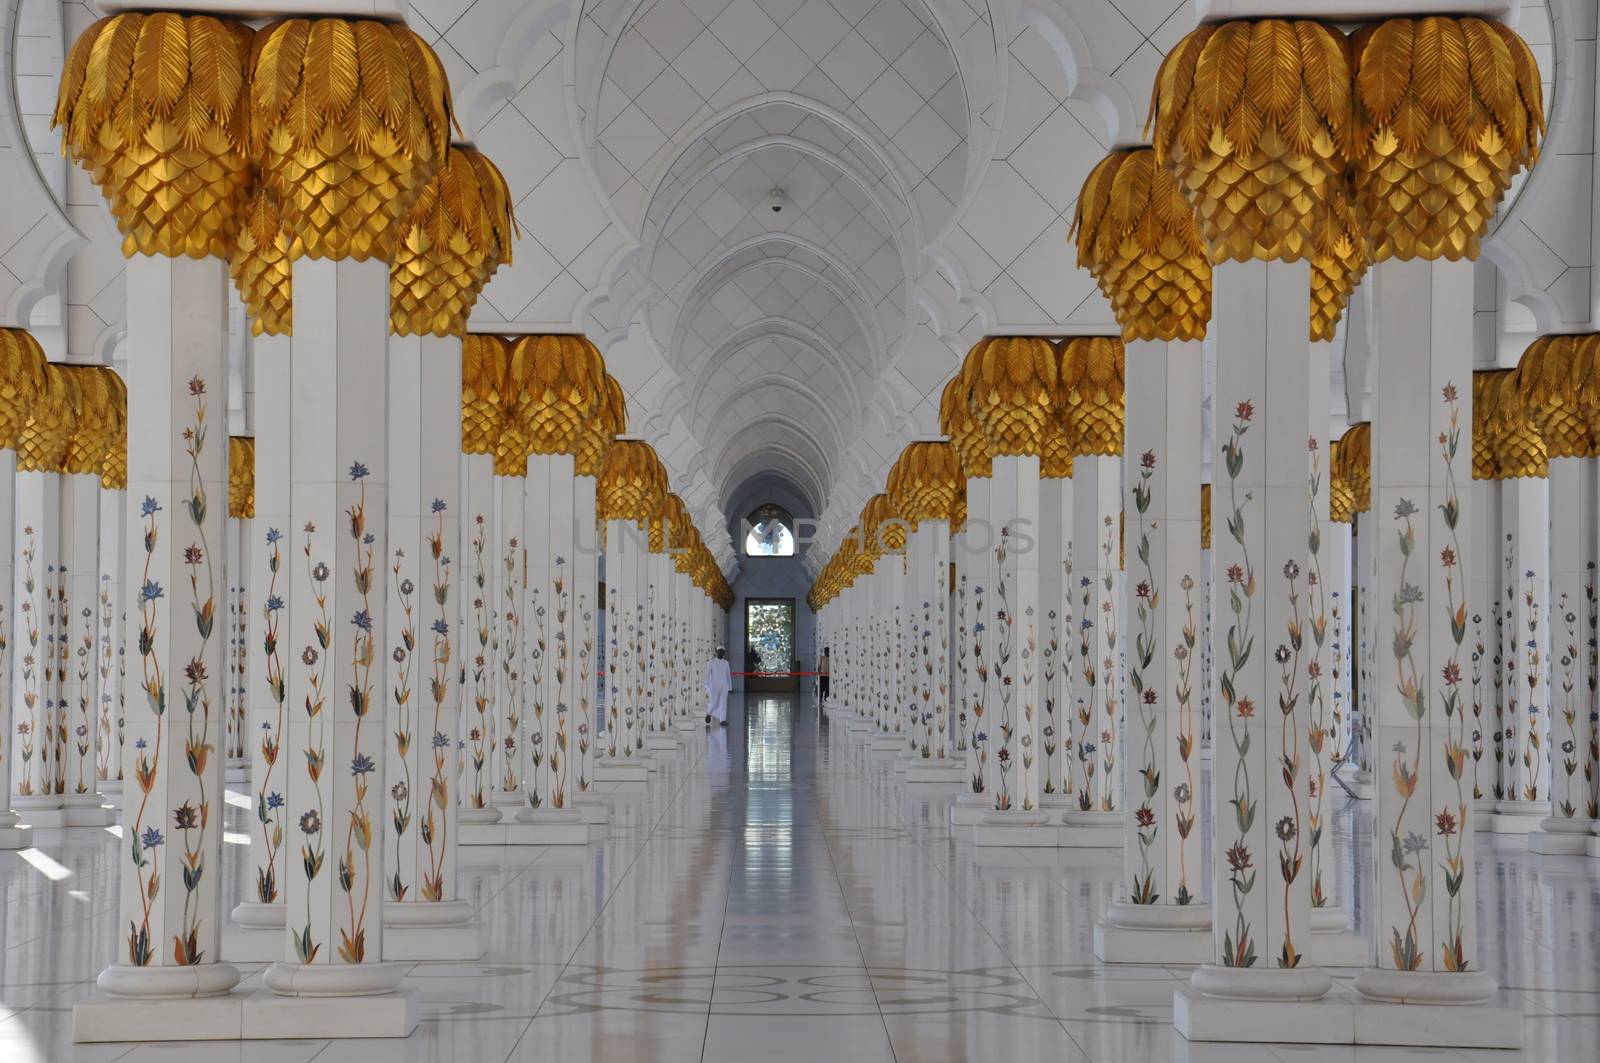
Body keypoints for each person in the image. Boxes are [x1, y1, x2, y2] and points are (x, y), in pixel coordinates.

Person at [704, 645, 732, 726]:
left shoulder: (726, 663)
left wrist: (730, 687)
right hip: (714, 686)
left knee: (723, 702)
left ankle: (722, 719)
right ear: (716, 652)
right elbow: (707, 675)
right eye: (719, 651)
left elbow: (728, 675)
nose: (721, 653)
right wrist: (706, 685)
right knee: (714, 702)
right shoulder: (711, 662)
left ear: (724, 653)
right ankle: (709, 713)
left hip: (724, 685)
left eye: (722, 652)